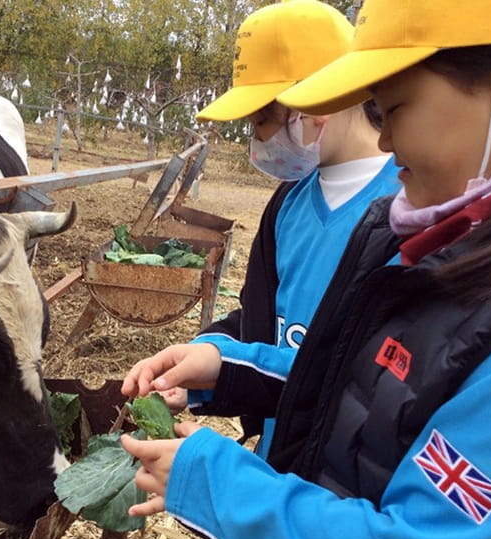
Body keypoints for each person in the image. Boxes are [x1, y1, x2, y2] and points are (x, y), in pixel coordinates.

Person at [120, 0, 491, 539]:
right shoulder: (402, 234)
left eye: (393, 107)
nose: (388, 139)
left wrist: (221, 485)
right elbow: (357, 381)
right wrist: (228, 367)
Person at [167, 0, 401, 465]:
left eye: (261, 120)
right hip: (281, 461)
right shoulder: (287, 205)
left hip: (350, 479)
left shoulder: (409, 204)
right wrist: (207, 357)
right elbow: (264, 320)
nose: (258, 140)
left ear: (317, 101)